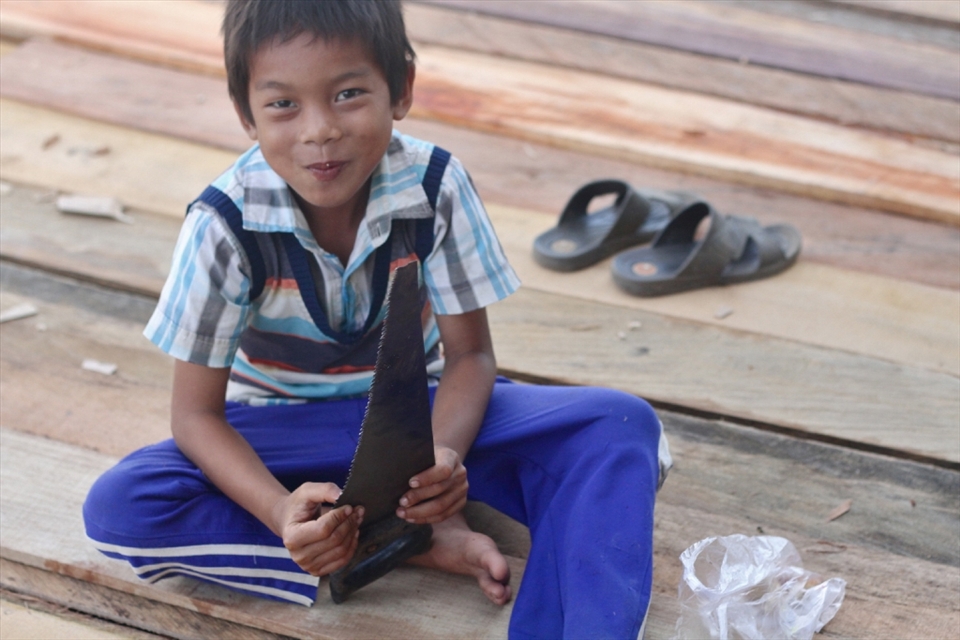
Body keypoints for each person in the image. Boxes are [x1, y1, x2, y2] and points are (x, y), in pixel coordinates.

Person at [82, 1, 671, 637]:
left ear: (403, 89)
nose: (320, 130)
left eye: (348, 93)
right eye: (283, 105)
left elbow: (470, 358)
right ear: (245, 115)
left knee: (620, 428)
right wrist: (281, 512)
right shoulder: (225, 226)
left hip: (420, 419)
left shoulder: (435, 186)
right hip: (285, 440)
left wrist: (442, 459)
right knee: (122, 507)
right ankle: (379, 543)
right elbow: (196, 417)